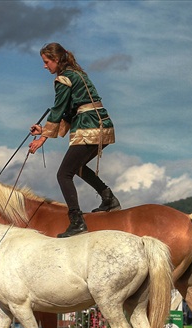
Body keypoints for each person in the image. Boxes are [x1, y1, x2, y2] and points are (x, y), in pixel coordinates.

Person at [28, 42, 120, 238]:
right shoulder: (78, 75)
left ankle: (77, 222)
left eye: (46, 62)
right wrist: (44, 130)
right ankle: (108, 197)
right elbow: (70, 111)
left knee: (63, 175)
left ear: (56, 60)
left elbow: (59, 110)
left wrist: (42, 139)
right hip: (102, 125)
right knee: (76, 168)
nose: (45, 66)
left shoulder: (63, 79)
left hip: (89, 127)